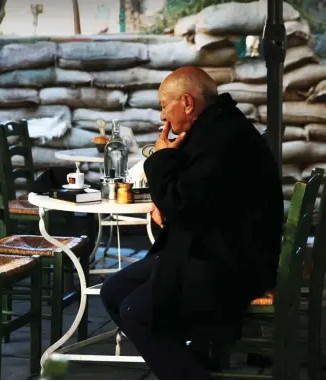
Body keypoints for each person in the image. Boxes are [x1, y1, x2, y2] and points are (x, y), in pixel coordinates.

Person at [100, 66, 284, 379]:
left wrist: (159, 158)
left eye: (163, 106)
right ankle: (188, 365)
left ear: (186, 103)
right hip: (207, 249)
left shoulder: (224, 136)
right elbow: (193, 197)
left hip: (229, 264)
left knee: (137, 313)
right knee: (114, 291)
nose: (162, 118)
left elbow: (182, 203)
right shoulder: (215, 128)